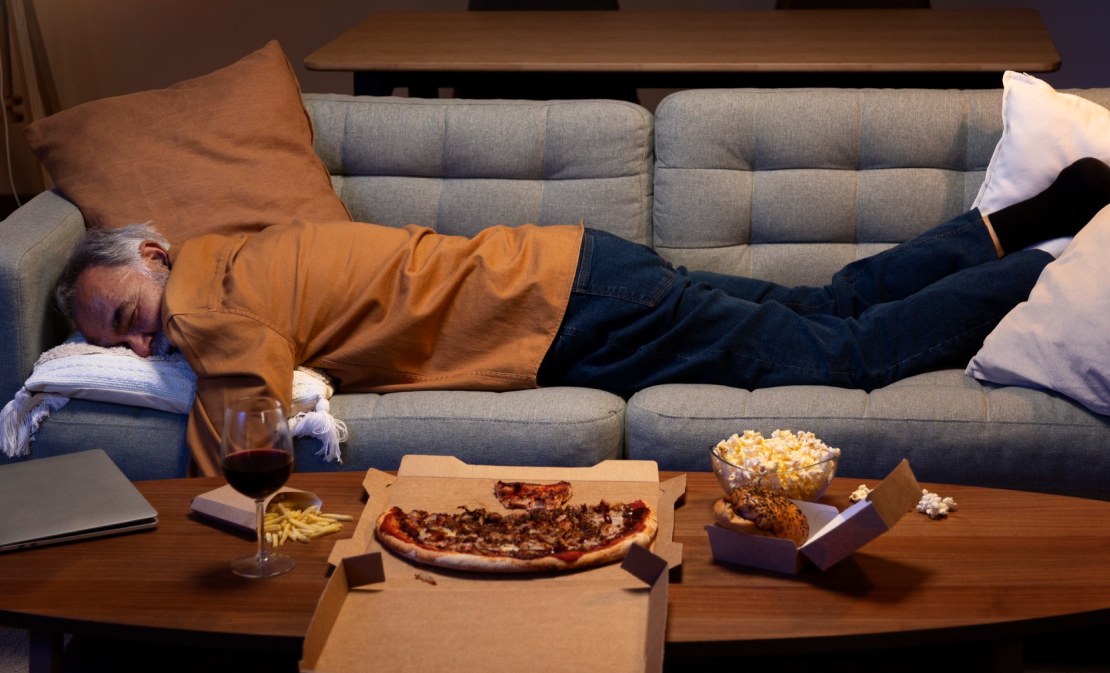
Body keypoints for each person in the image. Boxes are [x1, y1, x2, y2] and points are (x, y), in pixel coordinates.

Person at [55, 158, 1110, 476]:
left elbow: (245, 405)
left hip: (570, 312)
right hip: (578, 271)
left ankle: (1057, 267)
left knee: (842, 353)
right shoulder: (242, 245)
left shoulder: (204, 289)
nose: (145, 343)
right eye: (116, 345)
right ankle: (1023, 223)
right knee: (825, 305)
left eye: (131, 316)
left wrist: (189, 500)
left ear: (155, 256)